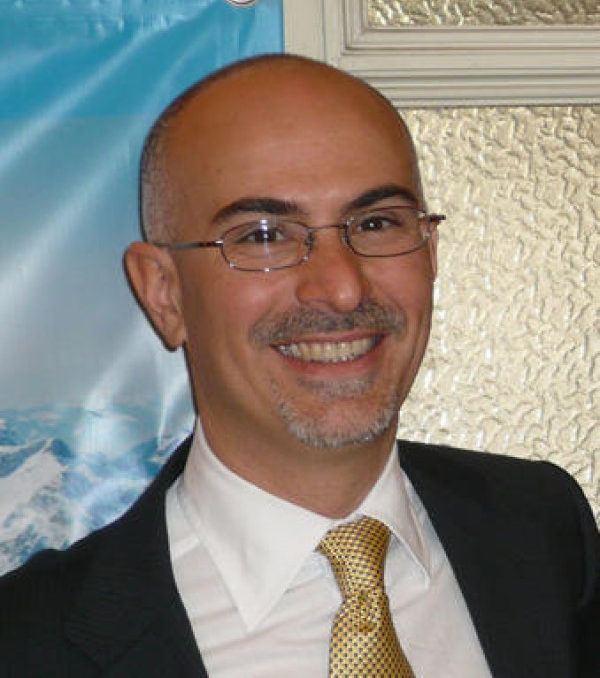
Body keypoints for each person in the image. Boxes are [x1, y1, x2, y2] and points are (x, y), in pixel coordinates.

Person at [0, 54, 598, 677]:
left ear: (431, 252)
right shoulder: (26, 647)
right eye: (264, 235)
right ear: (165, 293)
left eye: (376, 223)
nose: (341, 287)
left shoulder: (543, 535)